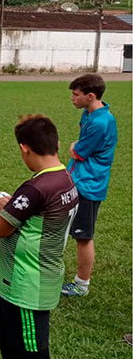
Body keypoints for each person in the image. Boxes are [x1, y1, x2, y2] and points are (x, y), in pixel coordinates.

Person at [0, 115, 79, 359]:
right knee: (1, 322)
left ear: (24, 149)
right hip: (15, 277)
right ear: (56, 143)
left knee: (33, 347)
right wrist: (11, 205)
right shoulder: (64, 178)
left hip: (29, 282)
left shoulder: (36, 187)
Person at [61, 73, 117, 298]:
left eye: (76, 95)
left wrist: (74, 147)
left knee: (83, 236)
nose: (72, 98)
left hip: (88, 186)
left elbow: (78, 152)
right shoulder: (89, 113)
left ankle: (81, 284)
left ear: (90, 96)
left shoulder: (101, 122)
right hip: (78, 179)